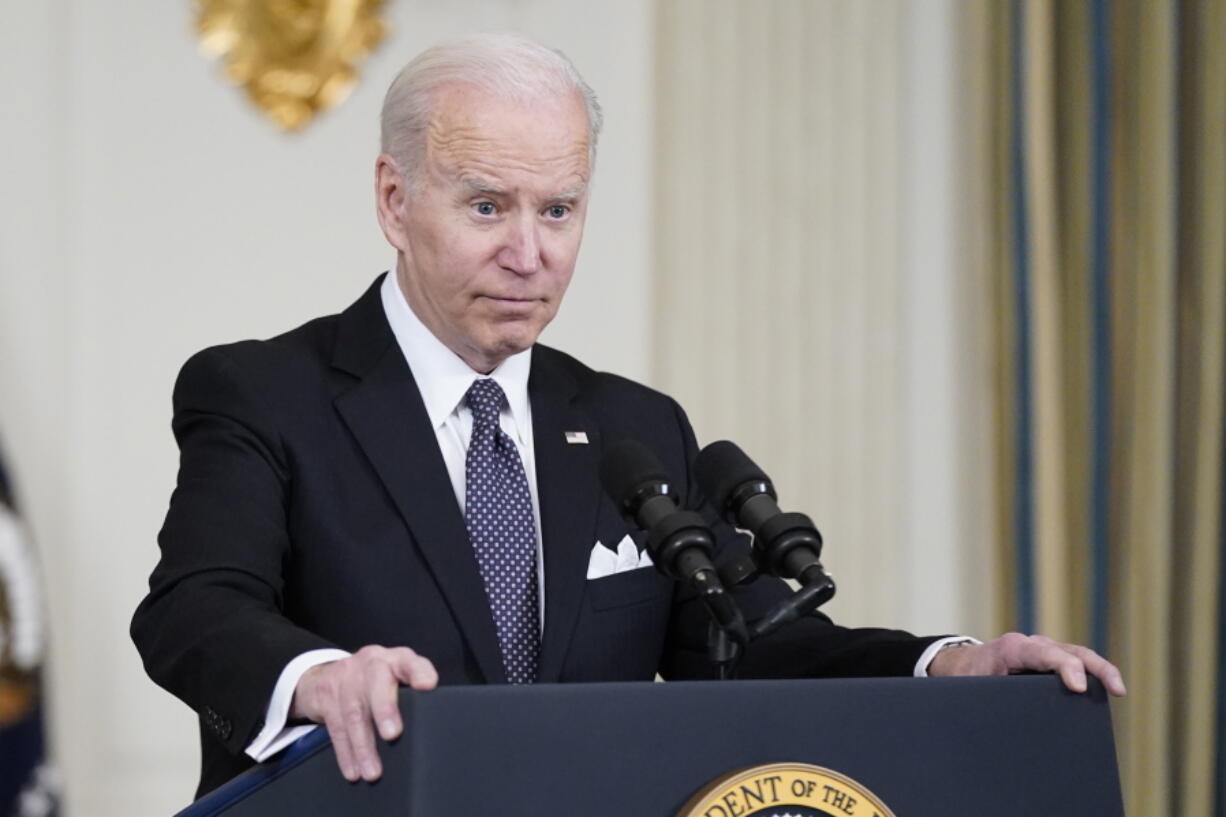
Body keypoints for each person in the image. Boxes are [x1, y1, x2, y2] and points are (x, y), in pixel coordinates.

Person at [131, 33, 1125, 799]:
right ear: (395, 201)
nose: (531, 253)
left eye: (557, 210)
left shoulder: (626, 425)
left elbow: (742, 643)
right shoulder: (265, 392)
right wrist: (317, 676)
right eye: (487, 207)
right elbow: (192, 607)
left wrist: (950, 663)